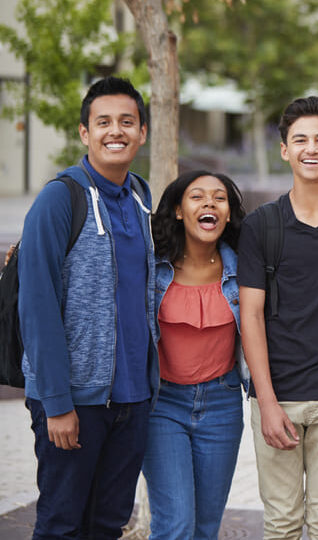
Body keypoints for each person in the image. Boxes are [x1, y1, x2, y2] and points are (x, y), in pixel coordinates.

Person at [19, 76, 158, 539]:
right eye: (103, 122)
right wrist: (57, 403)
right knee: (61, 525)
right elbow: (37, 305)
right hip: (75, 401)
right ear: (85, 132)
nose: (115, 131)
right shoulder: (60, 198)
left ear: (142, 132)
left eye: (127, 122)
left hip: (133, 400)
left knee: (107, 525)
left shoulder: (140, 197)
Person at [237, 96, 318, 540]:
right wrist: (266, 403)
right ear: (285, 150)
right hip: (278, 396)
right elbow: (250, 316)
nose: (311, 148)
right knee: (282, 523)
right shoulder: (262, 225)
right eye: (300, 139)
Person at [143, 171, 247, 540]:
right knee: (176, 525)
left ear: (229, 214)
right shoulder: (152, 264)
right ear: (178, 210)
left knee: (205, 527)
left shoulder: (244, 268)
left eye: (219, 198)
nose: (209, 204)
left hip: (222, 403)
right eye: (197, 196)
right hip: (162, 404)